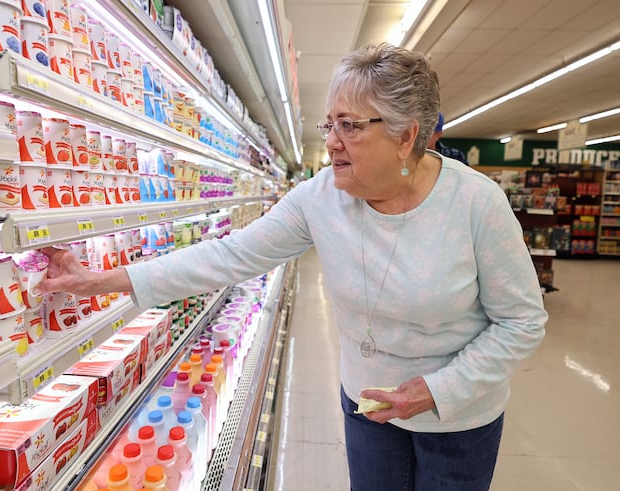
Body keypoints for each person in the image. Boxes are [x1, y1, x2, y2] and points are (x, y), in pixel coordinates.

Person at [39, 43, 547, 491]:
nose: (331, 141)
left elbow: (522, 321)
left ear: (405, 136)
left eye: (350, 125)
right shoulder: (321, 199)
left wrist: (438, 391)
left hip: (459, 418)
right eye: (331, 124)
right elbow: (229, 255)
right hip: (368, 407)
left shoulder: (476, 204)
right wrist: (102, 280)